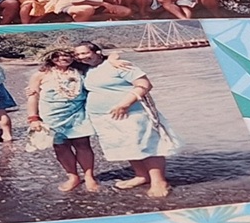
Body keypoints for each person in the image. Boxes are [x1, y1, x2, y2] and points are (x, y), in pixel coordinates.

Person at [73, 41, 178, 197]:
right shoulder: (86, 69)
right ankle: (141, 175)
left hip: (131, 113)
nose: (81, 57)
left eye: (85, 53)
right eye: (78, 54)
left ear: (97, 52)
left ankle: (159, 182)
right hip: (103, 117)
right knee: (126, 145)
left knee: (146, 145)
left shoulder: (119, 65)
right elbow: (56, 61)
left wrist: (125, 104)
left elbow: (144, 84)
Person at [27, 48, 99, 194]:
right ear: (50, 57)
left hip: (77, 114)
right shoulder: (40, 74)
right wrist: (33, 118)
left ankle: (89, 177)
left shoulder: (81, 71)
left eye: (67, 55)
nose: (62, 58)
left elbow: (101, 61)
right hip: (51, 117)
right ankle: (73, 177)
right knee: (61, 146)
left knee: (83, 144)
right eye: (57, 56)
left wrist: (114, 58)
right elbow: (33, 96)